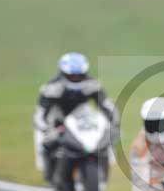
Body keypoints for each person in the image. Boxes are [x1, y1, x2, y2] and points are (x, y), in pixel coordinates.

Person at [33, 52, 119, 182]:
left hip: (81, 118)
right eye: (72, 76)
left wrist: (113, 123)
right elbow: (39, 114)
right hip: (58, 119)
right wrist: (45, 129)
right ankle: (49, 174)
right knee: (46, 141)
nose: (75, 78)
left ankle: (103, 171)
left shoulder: (93, 84)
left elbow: (107, 106)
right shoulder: (51, 88)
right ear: (63, 73)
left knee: (109, 136)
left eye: (79, 75)